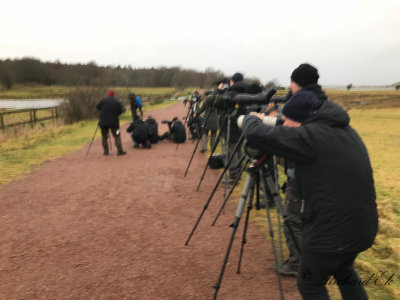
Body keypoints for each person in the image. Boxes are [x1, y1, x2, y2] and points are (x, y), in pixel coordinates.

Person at [239, 91, 378, 300]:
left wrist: (250, 118)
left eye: (285, 121)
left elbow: (256, 135)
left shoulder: (310, 137)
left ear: (299, 120)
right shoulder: (346, 131)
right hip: (362, 227)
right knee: (344, 271)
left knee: (310, 283)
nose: (282, 126)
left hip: (331, 231)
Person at [225, 72, 248, 183]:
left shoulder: (232, 92)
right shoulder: (247, 91)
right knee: (239, 149)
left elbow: (224, 104)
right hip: (243, 123)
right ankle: (238, 173)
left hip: (232, 124)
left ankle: (233, 176)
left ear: (233, 81)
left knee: (231, 150)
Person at [96, 90, 127, 156]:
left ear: (108, 94)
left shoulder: (103, 100)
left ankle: (105, 151)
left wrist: (103, 111)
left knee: (104, 136)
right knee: (117, 135)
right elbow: (121, 111)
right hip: (114, 123)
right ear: (113, 95)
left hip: (103, 122)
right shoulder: (117, 102)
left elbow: (98, 107)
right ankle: (119, 150)